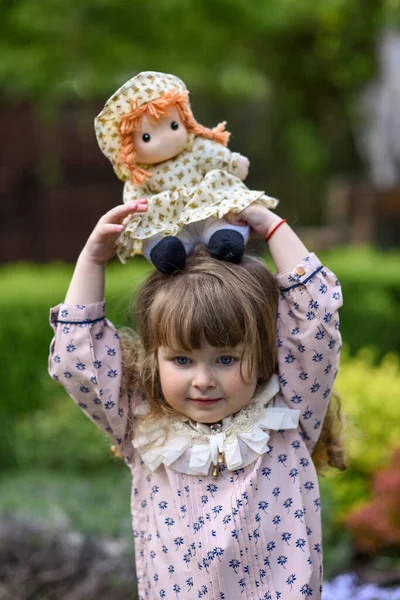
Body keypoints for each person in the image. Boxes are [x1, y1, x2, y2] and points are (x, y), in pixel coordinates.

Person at [48, 200, 346, 600]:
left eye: (226, 358)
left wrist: (272, 226)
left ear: (262, 355)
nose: (203, 380)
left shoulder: (288, 411)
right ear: (156, 358)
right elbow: (77, 361)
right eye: (182, 360)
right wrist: (91, 260)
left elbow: (317, 319)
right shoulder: (142, 424)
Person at [95, 71, 277, 272]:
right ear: (128, 147)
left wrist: (233, 163)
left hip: (206, 208)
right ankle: (167, 252)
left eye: (173, 125)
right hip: (167, 223)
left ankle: (223, 239)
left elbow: (217, 158)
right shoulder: (140, 176)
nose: (164, 139)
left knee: (220, 221)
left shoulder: (197, 150)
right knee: (158, 236)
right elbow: (135, 204)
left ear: (185, 119)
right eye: (146, 137)